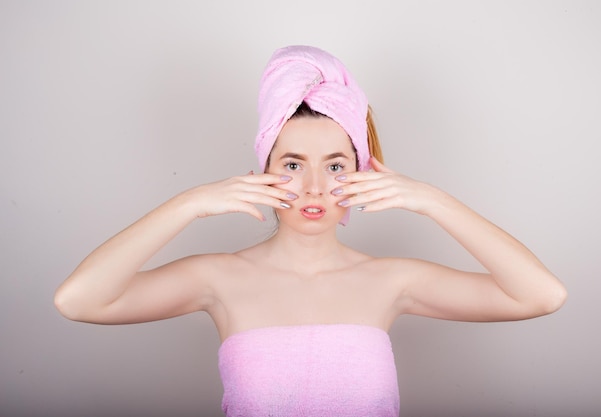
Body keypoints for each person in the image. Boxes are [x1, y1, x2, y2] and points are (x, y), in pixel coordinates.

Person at [54, 45, 567, 416]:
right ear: (261, 173)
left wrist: (433, 201)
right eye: (294, 164)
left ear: (363, 173)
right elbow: (79, 301)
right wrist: (188, 204)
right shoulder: (218, 278)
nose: (315, 187)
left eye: (337, 166)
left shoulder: (391, 280)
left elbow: (542, 295)